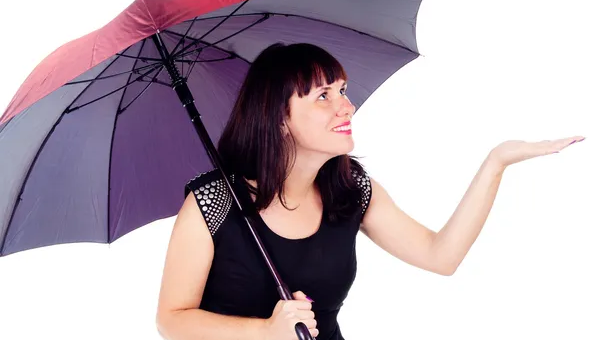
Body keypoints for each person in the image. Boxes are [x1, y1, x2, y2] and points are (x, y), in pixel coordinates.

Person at [154, 43, 584, 340]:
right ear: (279, 118)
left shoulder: (349, 189)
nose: (347, 106)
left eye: (341, 90)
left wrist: (496, 162)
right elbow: (171, 320)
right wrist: (263, 332)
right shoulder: (212, 203)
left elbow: (441, 256)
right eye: (324, 96)